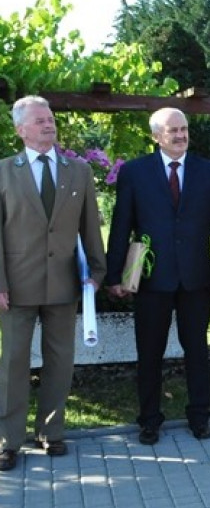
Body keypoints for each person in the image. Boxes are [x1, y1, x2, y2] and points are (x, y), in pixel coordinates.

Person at [106, 107, 210, 445]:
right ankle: (149, 420)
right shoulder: (135, 172)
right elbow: (121, 226)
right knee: (149, 353)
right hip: (151, 280)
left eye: (184, 129)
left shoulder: (209, 172)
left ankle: (200, 417)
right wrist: (115, 275)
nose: (180, 135)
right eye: (173, 130)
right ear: (156, 136)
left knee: (197, 350)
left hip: (196, 279)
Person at [0, 96, 105, 472]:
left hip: (65, 283)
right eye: (40, 120)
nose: (49, 125)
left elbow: (90, 226)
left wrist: (96, 272)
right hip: (17, 287)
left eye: (51, 119)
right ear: (21, 129)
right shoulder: (3, 171)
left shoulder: (78, 171)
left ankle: (51, 431)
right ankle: (8, 440)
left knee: (60, 360)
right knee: (13, 364)